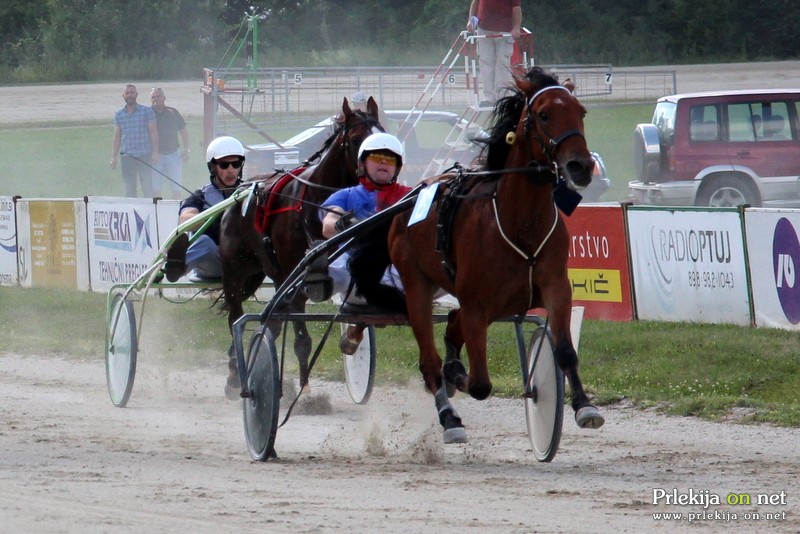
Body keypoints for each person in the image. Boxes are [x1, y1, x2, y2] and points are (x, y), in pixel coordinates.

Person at [319, 132, 411, 353]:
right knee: (344, 268)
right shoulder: (346, 195)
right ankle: (319, 283)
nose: (383, 163)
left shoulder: (410, 196)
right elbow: (328, 225)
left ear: (397, 168)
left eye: (389, 160)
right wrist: (350, 226)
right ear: (362, 164)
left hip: (398, 271)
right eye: (377, 157)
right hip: (352, 270)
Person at [163, 135, 245, 284]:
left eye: (236, 164)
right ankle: (178, 266)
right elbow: (185, 219)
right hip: (214, 263)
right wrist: (217, 219)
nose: (231, 170)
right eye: (224, 165)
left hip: (243, 261)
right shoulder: (201, 195)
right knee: (204, 241)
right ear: (213, 167)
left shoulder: (250, 192)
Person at [466, 0, 522, 107]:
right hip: (484, 29)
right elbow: (475, 2)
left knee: (502, 65)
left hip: (504, 31)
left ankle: (502, 98)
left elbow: (516, 8)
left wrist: (516, 27)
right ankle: (489, 98)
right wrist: (470, 20)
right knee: (486, 63)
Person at [110, 84, 159, 197]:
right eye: (127, 93)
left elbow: (154, 133)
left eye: (132, 92)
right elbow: (117, 136)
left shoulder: (146, 111)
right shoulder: (119, 114)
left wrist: (155, 152)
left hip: (144, 155)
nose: (129, 95)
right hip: (127, 156)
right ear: (123, 96)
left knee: (147, 187)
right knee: (129, 190)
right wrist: (113, 157)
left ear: (136, 94)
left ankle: (150, 212)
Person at [150, 87, 190, 199]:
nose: (156, 99)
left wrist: (187, 149)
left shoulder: (173, 112)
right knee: (156, 188)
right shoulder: (148, 114)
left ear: (164, 98)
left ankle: (176, 211)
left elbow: (184, 131)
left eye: (158, 96)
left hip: (173, 155)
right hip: (156, 157)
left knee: (176, 187)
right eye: (153, 97)